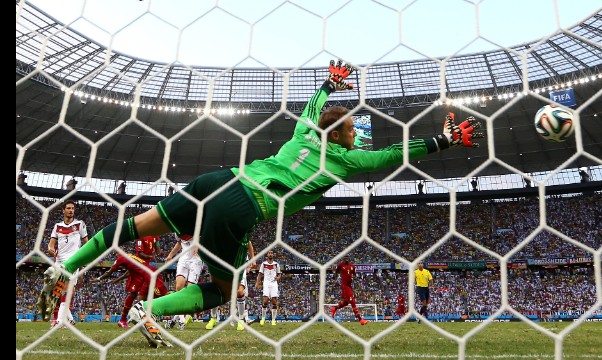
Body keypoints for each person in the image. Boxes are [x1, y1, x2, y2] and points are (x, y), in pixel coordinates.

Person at [37, 59, 483, 347]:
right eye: (352, 130)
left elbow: (311, 107)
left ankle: (66, 267)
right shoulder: (344, 163)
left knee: (134, 226)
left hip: (219, 177)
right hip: (241, 205)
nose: (356, 135)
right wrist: (442, 140)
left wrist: (329, 83)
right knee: (224, 292)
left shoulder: (304, 132)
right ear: (344, 136)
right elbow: (393, 154)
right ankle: (149, 311)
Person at [91, 252, 169, 338]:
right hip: (149, 274)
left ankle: (143, 318)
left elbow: (110, 272)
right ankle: (133, 319)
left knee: (160, 296)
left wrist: (98, 278)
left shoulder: (121, 259)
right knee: (139, 296)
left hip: (150, 276)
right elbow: (130, 272)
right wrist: (117, 280)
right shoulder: (130, 256)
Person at [38, 199, 89, 328]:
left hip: (74, 260)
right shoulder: (57, 226)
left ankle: (59, 321)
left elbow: (86, 244)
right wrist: (50, 249)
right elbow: (51, 245)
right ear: (63, 210)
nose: (71, 210)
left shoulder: (80, 225)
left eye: (73, 208)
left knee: (66, 288)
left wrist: (83, 262)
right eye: (69, 208)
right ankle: (68, 318)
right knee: (58, 291)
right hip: (60, 261)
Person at [210, 240, 256, 330]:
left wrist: (252, 258)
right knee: (217, 290)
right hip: (227, 265)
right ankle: (213, 318)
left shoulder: (241, 231)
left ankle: (242, 319)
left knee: (240, 292)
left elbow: (249, 243)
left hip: (241, 264)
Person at [164, 233, 204, 330]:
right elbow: (179, 243)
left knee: (189, 291)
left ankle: (176, 319)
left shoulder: (198, 225)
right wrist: (170, 255)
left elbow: (206, 239)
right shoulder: (178, 230)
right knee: (179, 287)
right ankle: (181, 319)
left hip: (196, 260)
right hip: (184, 259)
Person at [329, 255, 368, 325]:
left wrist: (357, 280)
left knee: (346, 302)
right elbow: (336, 272)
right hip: (344, 286)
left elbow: (354, 275)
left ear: (349, 259)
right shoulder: (340, 265)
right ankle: (360, 319)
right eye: (345, 258)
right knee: (352, 301)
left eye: (347, 258)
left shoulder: (352, 266)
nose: (346, 259)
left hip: (349, 286)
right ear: (343, 258)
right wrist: (335, 279)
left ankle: (334, 308)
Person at [255, 250, 281, 326]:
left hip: (273, 284)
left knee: (274, 301)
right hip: (266, 283)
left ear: (273, 255)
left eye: (271, 253)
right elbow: (260, 274)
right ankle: (263, 318)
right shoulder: (263, 264)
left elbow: (279, 274)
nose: (270, 254)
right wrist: (257, 283)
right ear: (267, 255)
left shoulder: (276, 264)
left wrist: (278, 277)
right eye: (269, 253)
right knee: (265, 301)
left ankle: (273, 320)